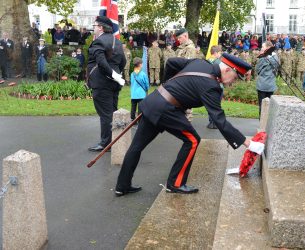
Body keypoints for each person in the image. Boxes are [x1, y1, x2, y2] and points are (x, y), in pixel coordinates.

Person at [114, 53, 265, 196]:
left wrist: (167, 85)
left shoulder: (200, 62)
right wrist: (248, 143)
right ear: (226, 69)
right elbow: (219, 120)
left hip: (154, 101)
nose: (234, 82)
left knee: (136, 147)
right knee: (192, 140)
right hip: (166, 109)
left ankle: (122, 186)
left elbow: (171, 62)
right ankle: (176, 184)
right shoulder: (211, 86)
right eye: (235, 77)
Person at [87, 16, 126, 152]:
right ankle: (113, 140)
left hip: (102, 83)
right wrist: (116, 75)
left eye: (95, 26)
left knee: (105, 114)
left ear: (101, 27)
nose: (94, 28)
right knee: (112, 112)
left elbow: (101, 63)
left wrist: (113, 74)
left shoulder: (99, 42)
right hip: (114, 83)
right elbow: (123, 62)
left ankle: (106, 143)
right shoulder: (118, 42)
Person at [255, 41, 279, 117]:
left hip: (262, 85)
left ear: (268, 48)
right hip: (271, 85)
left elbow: (257, 69)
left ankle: (262, 126)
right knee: (268, 106)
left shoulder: (263, 57)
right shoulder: (276, 57)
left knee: (262, 107)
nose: (261, 48)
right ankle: (267, 125)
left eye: (263, 47)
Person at [206, 45, 222, 129]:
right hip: (218, 86)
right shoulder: (219, 62)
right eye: (220, 53)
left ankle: (210, 122)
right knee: (217, 105)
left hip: (208, 86)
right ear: (215, 53)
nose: (220, 54)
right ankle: (215, 122)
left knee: (210, 104)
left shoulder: (206, 61)